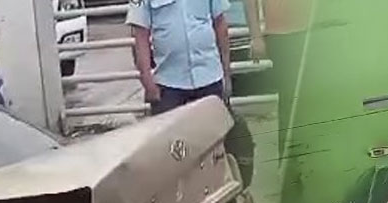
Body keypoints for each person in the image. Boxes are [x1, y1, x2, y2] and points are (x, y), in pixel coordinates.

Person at [126, 0, 232, 116]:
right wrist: (148, 83)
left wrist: (226, 74)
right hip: (167, 85)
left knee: (216, 130)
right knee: (170, 133)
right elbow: (140, 36)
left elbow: (220, 24)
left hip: (210, 77)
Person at [244, 0, 312, 158]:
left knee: (313, 100)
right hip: (280, 35)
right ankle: (289, 159)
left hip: (313, 30)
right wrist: (255, 37)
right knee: (289, 100)